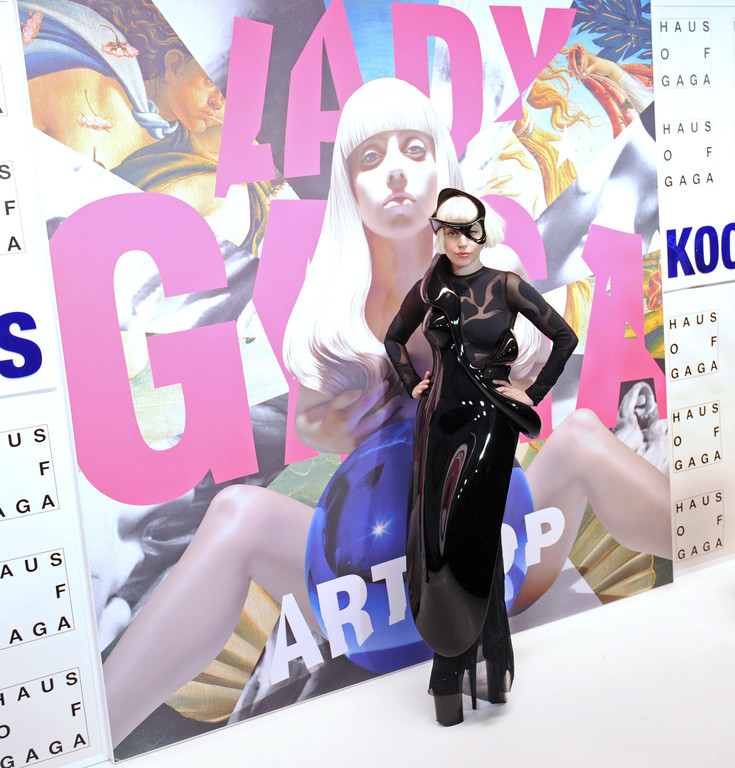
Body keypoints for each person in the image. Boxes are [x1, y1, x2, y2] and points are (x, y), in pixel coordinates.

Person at [101, 78, 670, 746]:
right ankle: (89, 731)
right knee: (236, 515)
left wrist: (512, 385)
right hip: (373, 568)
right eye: (371, 158)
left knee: (581, 440)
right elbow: (311, 420)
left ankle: (711, 545)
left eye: (413, 149)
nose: (395, 172)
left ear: (442, 168)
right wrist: (358, 416)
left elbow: (544, 356)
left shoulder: (493, 275)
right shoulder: (334, 303)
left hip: (495, 540)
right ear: (349, 184)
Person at [384, 188, 577, 725]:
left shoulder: (505, 284)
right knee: (445, 536)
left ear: (484, 232)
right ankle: (479, 653)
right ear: (439, 235)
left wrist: (532, 393)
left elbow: (564, 337)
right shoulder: (430, 286)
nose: (460, 242)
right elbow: (394, 338)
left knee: (471, 525)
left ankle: (451, 666)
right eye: (449, 231)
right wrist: (411, 381)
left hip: (491, 422)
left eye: (469, 231)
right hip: (438, 422)